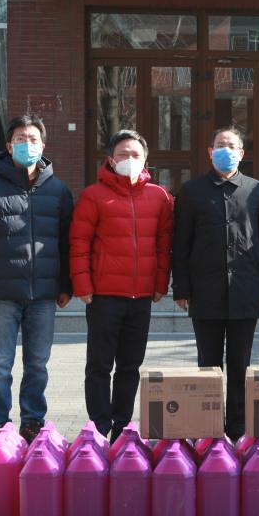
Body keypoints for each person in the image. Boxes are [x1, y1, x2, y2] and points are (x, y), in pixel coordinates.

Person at [0, 115, 74, 443]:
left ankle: (32, 421)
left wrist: (66, 284)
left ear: (43, 145)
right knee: (0, 363)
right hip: (1, 294)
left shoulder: (57, 189)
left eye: (33, 139)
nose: (27, 144)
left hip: (44, 294)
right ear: (9, 146)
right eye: (20, 139)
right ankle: (0, 423)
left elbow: (68, 241)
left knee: (38, 363)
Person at [171, 126, 259, 440]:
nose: (225, 150)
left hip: (246, 288)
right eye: (220, 145)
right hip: (205, 291)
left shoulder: (258, 192)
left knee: (241, 364)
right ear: (210, 152)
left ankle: (238, 428)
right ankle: (209, 427)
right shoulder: (192, 191)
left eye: (231, 145)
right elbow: (181, 242)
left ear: (242, 153)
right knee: (208, 363)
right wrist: (181, 288)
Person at [69, 130, 174, 443]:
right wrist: (83, 285)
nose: (129, 159)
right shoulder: (93, 196)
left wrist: (160, 284)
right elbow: (79, 243)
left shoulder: (159, 197)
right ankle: (99, 428)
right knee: (99, 366)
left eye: (135, 155)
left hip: (140, 297)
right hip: (104, 296)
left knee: (130, 366)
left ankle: (123, 427)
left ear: (145, 160)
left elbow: (163, 244)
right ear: (111, 160)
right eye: (123, 154)